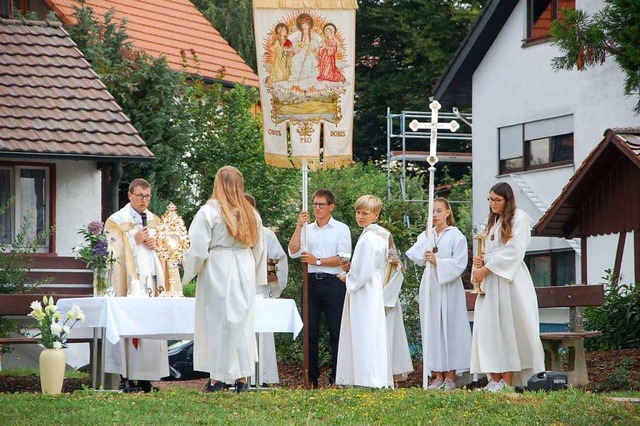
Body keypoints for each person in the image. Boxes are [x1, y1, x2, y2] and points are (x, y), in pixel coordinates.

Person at [182, 166, 266, 393]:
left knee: (219, 322)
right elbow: (259, 250)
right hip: (244, 265)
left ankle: (217, 378)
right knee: (241, 322)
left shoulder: (209, 212)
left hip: (218, 266)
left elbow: (198, 249)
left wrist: (187, 269)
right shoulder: (251, 213)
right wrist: (254, 272)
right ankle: (241, 378)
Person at [470, 182, 545, 392]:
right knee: (489, 329)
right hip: (490, 283)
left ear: (507, 200)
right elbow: (486, 248)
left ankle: (507, 380)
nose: (493, 204)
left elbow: (514, 251)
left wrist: (487, 268)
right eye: (490, 199)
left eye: (497, 200)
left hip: (508, 280)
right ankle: (493, 378)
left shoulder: (518, 218)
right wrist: (480, 261)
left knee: (508, 328)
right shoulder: (490, 221)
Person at [104, 178, 170, 393]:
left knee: (150, 328)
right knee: (129, 327)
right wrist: (135, 240)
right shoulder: (116, 220)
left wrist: (157, 243)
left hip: (151, 279)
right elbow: (110, 249)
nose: (144, 200)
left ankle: (146, 378)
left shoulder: (155, 220)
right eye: (140, 195)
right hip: (129, 282)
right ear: (130, 195)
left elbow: (167, 249)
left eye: (147, 196)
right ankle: (126, 376)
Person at [288, 188, 351, 388]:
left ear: (331, 206)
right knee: (310, 331)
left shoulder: (341, 229)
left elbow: (343, 259)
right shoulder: (307, 229)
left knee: (336, 331)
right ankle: (311, 378)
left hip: (334, 283)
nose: (317, 208)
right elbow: (293, 251)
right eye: (314, 204)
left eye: (321, 204)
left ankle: (337, 377)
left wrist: (317, 260)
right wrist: (299, 226)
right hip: (311, 284)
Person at [406, 197, 471, 390]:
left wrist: (438, 262)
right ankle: (438, 373)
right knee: (432, 327)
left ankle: (451, 374)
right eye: (432, 211)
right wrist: (426, 239)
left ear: (448, 212)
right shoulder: (429, 234)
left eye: (439, 211)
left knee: (449, 328)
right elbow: (415, 256)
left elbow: (460, 264)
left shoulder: (456, 236)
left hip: (448, 286)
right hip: (431, 285)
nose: (435, 215)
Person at [335, 195, 393, 388]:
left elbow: (363, 271)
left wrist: (348, 277)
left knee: (364, 331)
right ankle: (368, 376)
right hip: (371, 287)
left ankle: (366, 377)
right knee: (369, 330)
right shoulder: (378, 236)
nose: (360, 216)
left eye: (365, 213)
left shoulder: (369, 238)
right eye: (358, 212)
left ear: (375, 215)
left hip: (364, 289)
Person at [244, 194, 288, 385]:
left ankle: (263, 376)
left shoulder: (266, 235)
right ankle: (233, 377)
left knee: (260, 332)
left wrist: (274, 277)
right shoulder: (230, 232)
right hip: (237, 289)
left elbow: (279, 261)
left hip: (258, 289)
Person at [382, 236, 414, 383]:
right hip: (373, 305)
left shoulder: (395, 265)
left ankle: (389, 373)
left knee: (389, 337)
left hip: (388, 306)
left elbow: (394, 284)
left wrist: (382, 302)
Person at [289, 13, 319, 88]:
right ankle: (296, 76)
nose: (304, 27)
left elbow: (316, 44)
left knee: (309, 61)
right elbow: (296, 43)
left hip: (309, 51)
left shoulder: (312, 34)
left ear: (309, 26)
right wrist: (299, 44)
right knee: (294, 59)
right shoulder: (300, 34)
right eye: (303, 25)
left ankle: (308, 77)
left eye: (306, 25)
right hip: (302, 51)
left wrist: (312, 48)